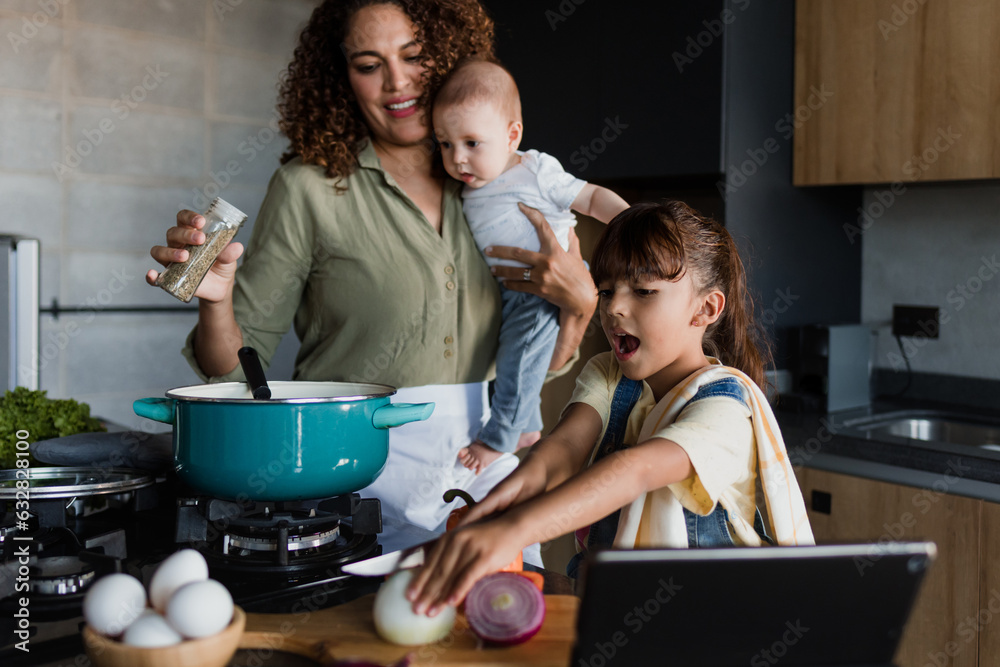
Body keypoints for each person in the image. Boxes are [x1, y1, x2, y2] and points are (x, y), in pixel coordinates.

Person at [144, 0, 598, 538]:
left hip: (483, 473)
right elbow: (232, 373)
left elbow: (535, 357)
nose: (397, 82)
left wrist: (579, 308)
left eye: (414, 56)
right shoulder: (308, 189)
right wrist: (215, 299)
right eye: (368, 64)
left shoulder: (493, 181)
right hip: (348, 473)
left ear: (448, 55)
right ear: (342, 77)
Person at [406, 200, 816, 616]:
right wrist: (505, 500)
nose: (614, 307)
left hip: (711, 622)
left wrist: (516, 529)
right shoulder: (607, 373)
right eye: (606, 290)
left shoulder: (727, 408)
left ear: (706, 309)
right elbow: (563, 449)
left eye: (643, 291)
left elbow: (634, 470)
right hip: (612, 612)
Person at [431, 60, 629, 475]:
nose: (458, 159)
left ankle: (499, 438)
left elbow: (591, 198)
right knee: (515, 359)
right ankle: (528, 427)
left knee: (518, 362)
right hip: (513, 292)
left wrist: (633, 221)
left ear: (512, 135)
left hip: (544, 290)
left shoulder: (536, 171)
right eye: (445, 144)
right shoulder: (468, 185)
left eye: (471, 143)